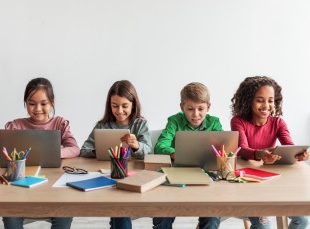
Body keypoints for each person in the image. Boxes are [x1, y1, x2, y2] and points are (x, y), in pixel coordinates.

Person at [0, 77, 79, 229]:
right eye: (31, 104)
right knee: (11, 214)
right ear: (26, 103)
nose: (37, 108)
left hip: (53, 188)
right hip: (19, 188)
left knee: (65, 211)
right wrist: (10, 156)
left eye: (43, 104)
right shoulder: (16, 125)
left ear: (52, 102)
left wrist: (52, 153)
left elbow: (74, 148)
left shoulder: (59, 123)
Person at [230, 76, 309, 229]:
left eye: (270, 100)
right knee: (263, 226)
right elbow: (243, 149)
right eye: (260, 100)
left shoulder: (278, 122)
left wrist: (300, 154)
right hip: (249, 183)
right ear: (248, 101)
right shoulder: (238, 121)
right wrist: (260, 154)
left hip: (273, 182)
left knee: (303, 220)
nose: (266, 105)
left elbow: (289, 146)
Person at [80, 80, 151, 229]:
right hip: (109, 175)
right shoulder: (102, 125)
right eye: (115, 106)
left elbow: (149, 151)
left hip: (134, 176)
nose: (119, 111)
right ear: (109, 105)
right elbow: (84, 149)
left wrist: (137, 145)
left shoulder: (140, 124)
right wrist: (99, 151)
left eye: (124, 106)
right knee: (119, 208)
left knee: (121, 208)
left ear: (133, 105)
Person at [153, 82, 222, 229]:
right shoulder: (174, 121)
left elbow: (223, 148)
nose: (195, 114)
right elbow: (160, 146)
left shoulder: (214, 123)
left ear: (208, 107)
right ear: (182, 107)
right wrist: (175, 153)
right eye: (190, 109)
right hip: (177, 175)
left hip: (206, 176)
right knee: (161, 214)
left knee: (212, 216)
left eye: (200, 109)